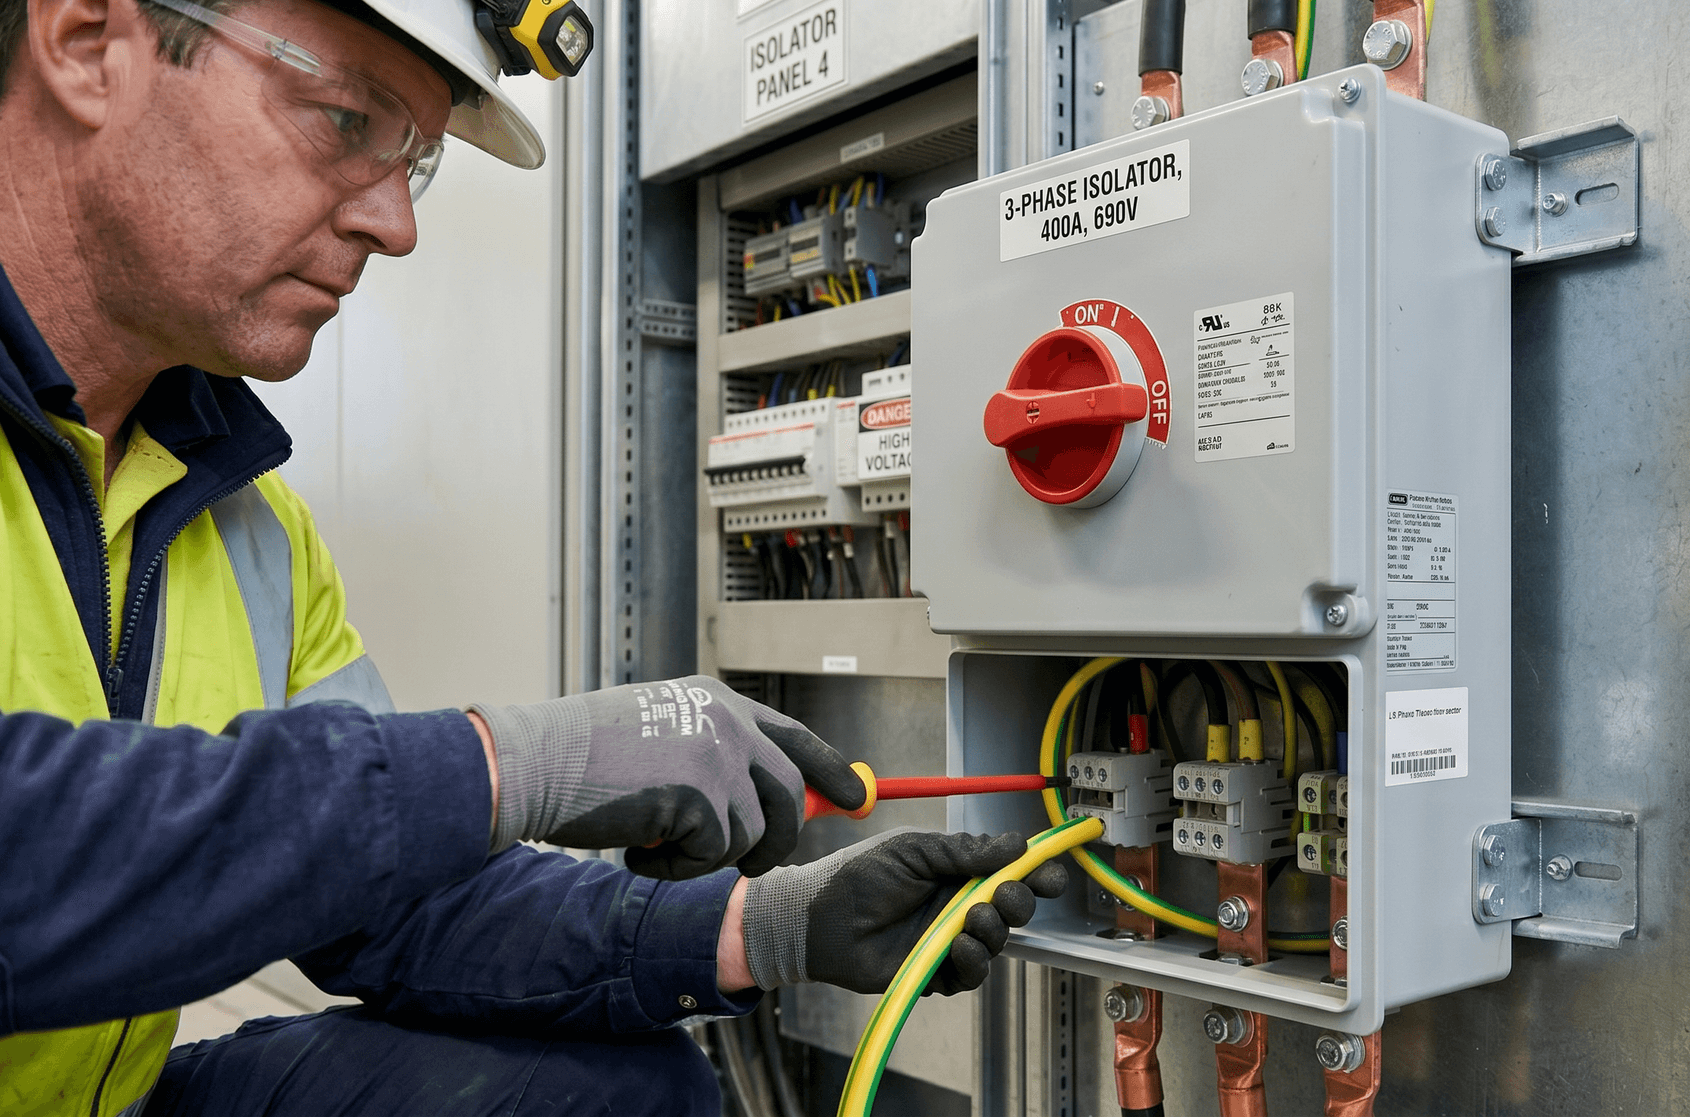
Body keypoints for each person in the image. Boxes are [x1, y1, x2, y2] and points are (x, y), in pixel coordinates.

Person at [0, 0, 1066, 1110]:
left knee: (614, 1096)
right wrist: (516, 764)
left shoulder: (238, 513)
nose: (393, 225)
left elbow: (384, 897)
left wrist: (763, 925)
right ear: (85, 41)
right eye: (345, 118)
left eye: (411, 161)